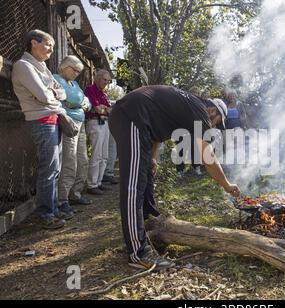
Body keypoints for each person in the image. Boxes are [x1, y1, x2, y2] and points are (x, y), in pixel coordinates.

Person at [109, 85, 241, 270]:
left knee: (144, 177)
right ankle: (138, 253)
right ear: (212, 111)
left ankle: (148, 225)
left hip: (138, 120)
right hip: (131, 116)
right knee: (133, 186)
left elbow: (158, 132)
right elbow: (208, 158)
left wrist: (152, 157)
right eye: (217, 122)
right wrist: (226, 185)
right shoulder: (201, 111)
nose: (214, 126)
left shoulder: (188, 107)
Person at [11, 30, 67, 229]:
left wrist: (53, 93)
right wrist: (52, 93)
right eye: (48, 44)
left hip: (54, 120)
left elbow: (60, 92)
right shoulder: (23, 66)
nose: (52, 49)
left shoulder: (42, 67)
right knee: (48, 170)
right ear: (34, 43)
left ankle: (52, 208)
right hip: (42, 122)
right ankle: (44, 214)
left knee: (55, 168)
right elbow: (43, 95)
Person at [53, 55, 93, 213]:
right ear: (65, 66)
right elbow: (70, 98)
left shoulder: (75, 83)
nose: (77, 73)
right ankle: (62, 199)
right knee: (69, 161)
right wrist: (80, 102)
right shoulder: (56, 78)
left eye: (79, 71)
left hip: (81, 123)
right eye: (74, 69)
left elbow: (87, 103)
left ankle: (75, 194)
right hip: (68, 124)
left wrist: (80, 103)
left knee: (83, 160)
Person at [84, 69, 113, 195]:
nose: (106, 82)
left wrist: (105, 109)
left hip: (104, 123)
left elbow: (109, 110)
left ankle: (99, 182)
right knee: (96, 154)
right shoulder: (90, 89)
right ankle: (92, 184)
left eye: (108, 80)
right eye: (104, 79)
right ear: (97, 78)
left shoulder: (103, 93)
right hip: (95, 122)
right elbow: (97, 109)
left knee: (104, 155)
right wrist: (105, 109)